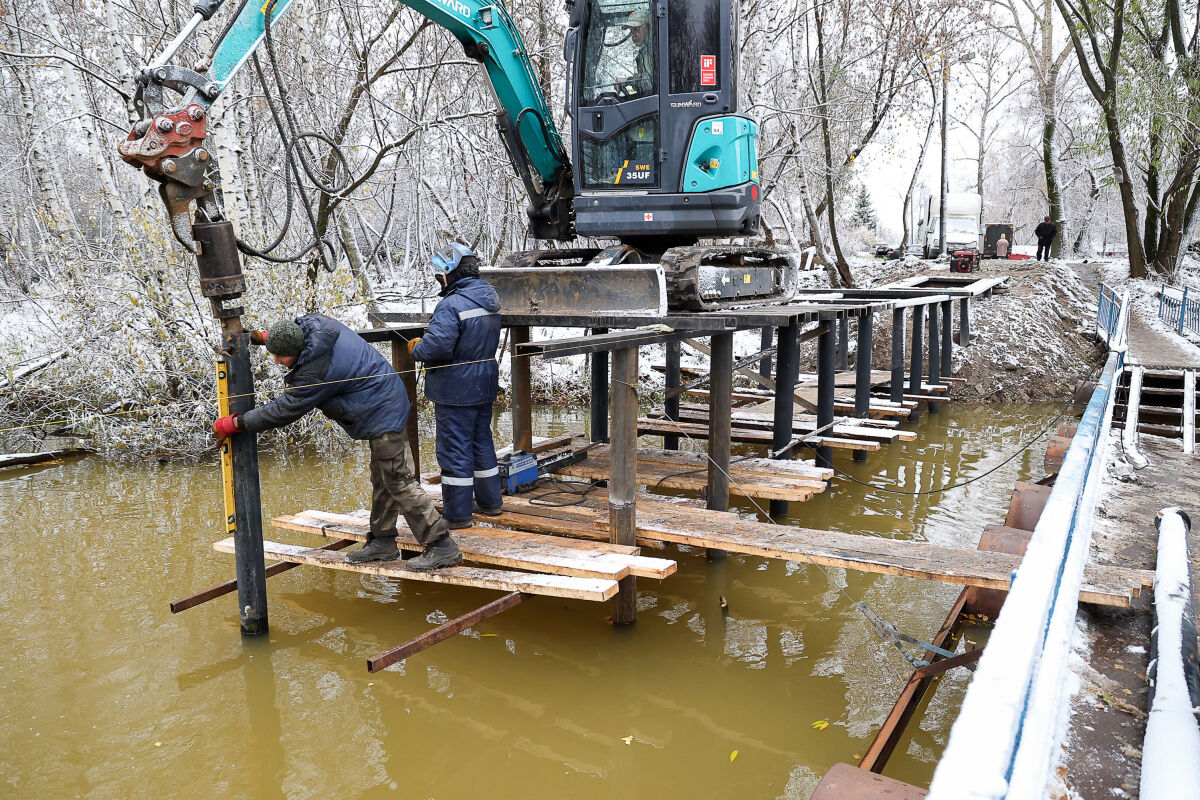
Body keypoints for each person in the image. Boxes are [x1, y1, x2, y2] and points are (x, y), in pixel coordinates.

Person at [212, 315, 459, 570]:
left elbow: (284, 410)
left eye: (280, 356)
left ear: (295, 351)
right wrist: (267, 337)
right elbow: (292, 333)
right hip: (381, 400)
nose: (276, 361)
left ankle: (442, 545)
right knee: (383, 477)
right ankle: (383, 542)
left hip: (383, 411)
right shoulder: (315, 326)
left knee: (397, 479)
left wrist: (238, 423)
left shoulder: (315, 372)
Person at [409, 243, 504, 530]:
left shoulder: (451, 304)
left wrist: (417, 348)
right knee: (481, 442)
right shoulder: (489, 298)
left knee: (454, 449)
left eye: (441, 273)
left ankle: (458, 515)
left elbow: (437, 347)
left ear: (450, 274)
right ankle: (491, 503)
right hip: (483, 383)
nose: (440, 278)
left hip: (456, 389)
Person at [620, 9, 653, 96]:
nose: (633, 35)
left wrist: (627, 82)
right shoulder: (643, 53)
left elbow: (649, 85)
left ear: (647, 27)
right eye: (631, 31)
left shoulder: (655, 52)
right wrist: (628, 81)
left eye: (636, 29)